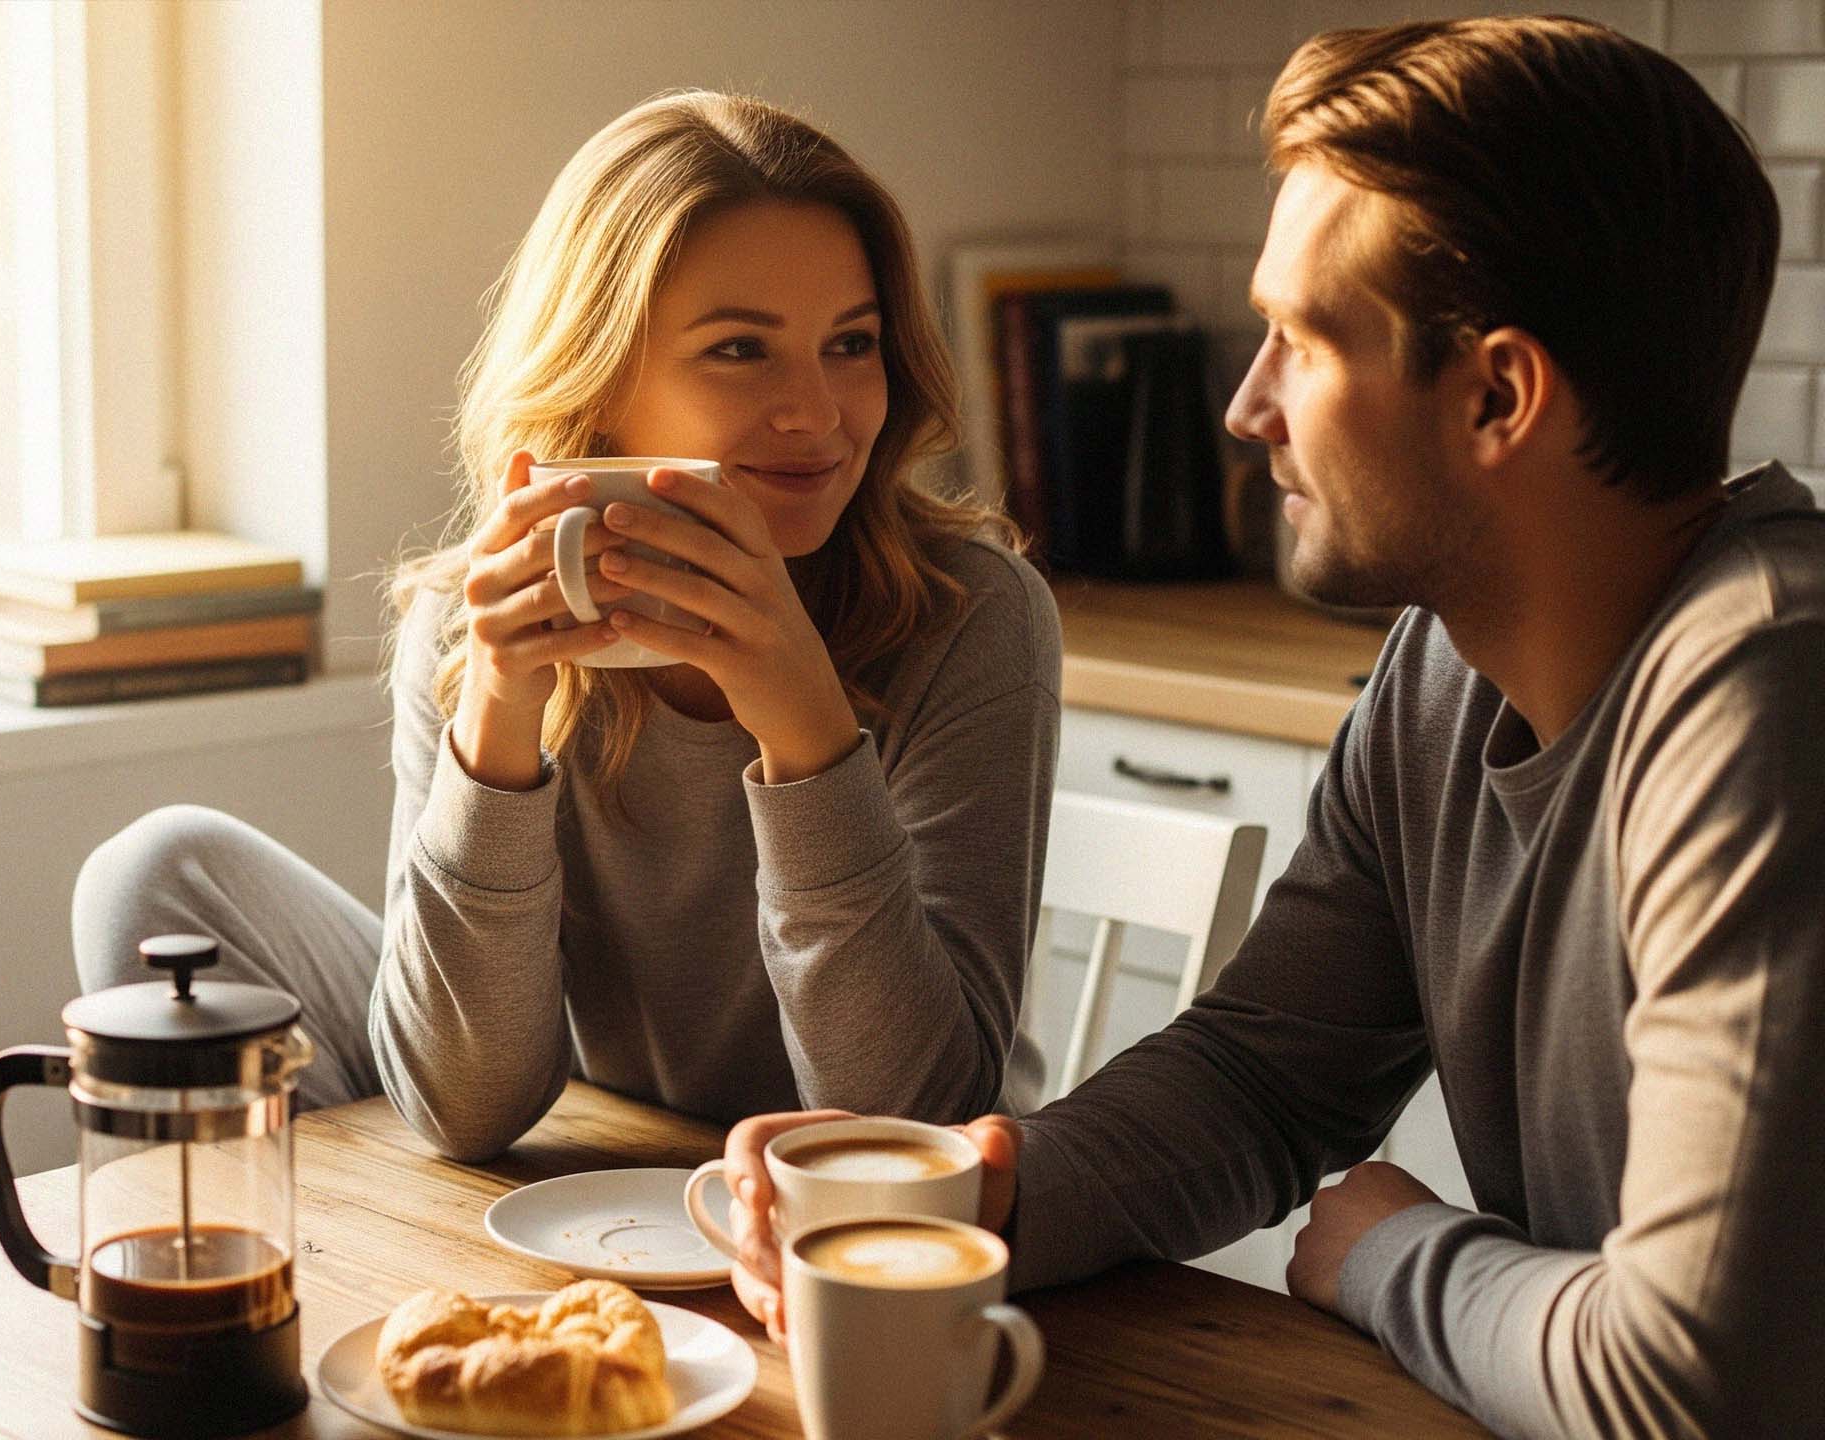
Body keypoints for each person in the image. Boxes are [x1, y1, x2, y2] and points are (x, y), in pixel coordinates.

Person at [720, 17, 1822, 1439]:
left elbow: (1691, 1385)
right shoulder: (1443, 667)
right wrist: (989, 1179)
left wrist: (1389, 1253)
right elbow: (1262, 1078)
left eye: (1299, 341)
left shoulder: (1762, 700)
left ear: (1497, 394)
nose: (1246, 407)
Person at [74, 91, 1059, 1159]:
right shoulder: (477, 613)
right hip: (575, 1144)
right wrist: (496, 724)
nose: (817, 414)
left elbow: (914, 1121)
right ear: (596, 377)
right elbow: (466, 1110)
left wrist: (804, 726)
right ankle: (278, 1277)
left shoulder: (968, 614)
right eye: (740, 350)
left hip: (854, 1218)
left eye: (851, 343)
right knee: (155, 869)